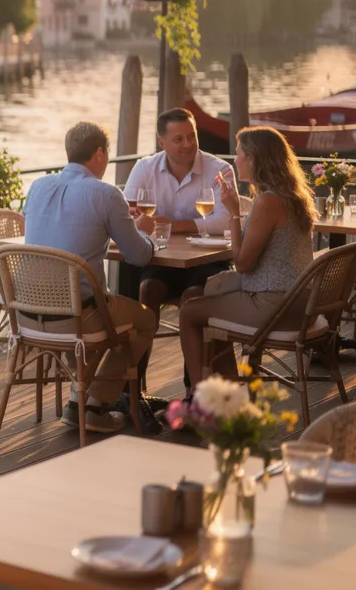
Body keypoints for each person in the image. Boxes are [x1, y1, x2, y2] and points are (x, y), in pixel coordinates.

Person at [22, 121, 161, 434]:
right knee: (145, 320)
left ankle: (79, 395)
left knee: (102, 310)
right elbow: (139, 256)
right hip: (79, 316)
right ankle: (95, 404)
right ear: (99, 153)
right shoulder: (106, 194)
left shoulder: (38, 186)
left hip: (29, 314)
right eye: (107, 153)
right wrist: (146, 231)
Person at [177, 127, 316, 386]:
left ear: (254, 159)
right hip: (302, 304)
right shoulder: (295, 197)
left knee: (188, 313)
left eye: (239, 154)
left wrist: (233, 212)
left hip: (275, 307)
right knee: (206, 303)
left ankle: (198, 402)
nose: (234, 160)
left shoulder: (267, 202)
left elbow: (241, 264)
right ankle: (229, 395)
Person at [121, 108, 236, 393]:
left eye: (192, 136)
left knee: (191, 300)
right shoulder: (145, 168)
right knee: (147, 292)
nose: (188, 144)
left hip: (208, 260)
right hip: (162, 259)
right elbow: (126, 214)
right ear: (162, 142)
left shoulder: (219, 169)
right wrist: (137, 218)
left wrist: (171, 224)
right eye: (179, 139)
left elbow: (225, 220)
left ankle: (191, 390)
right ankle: (133, 389)